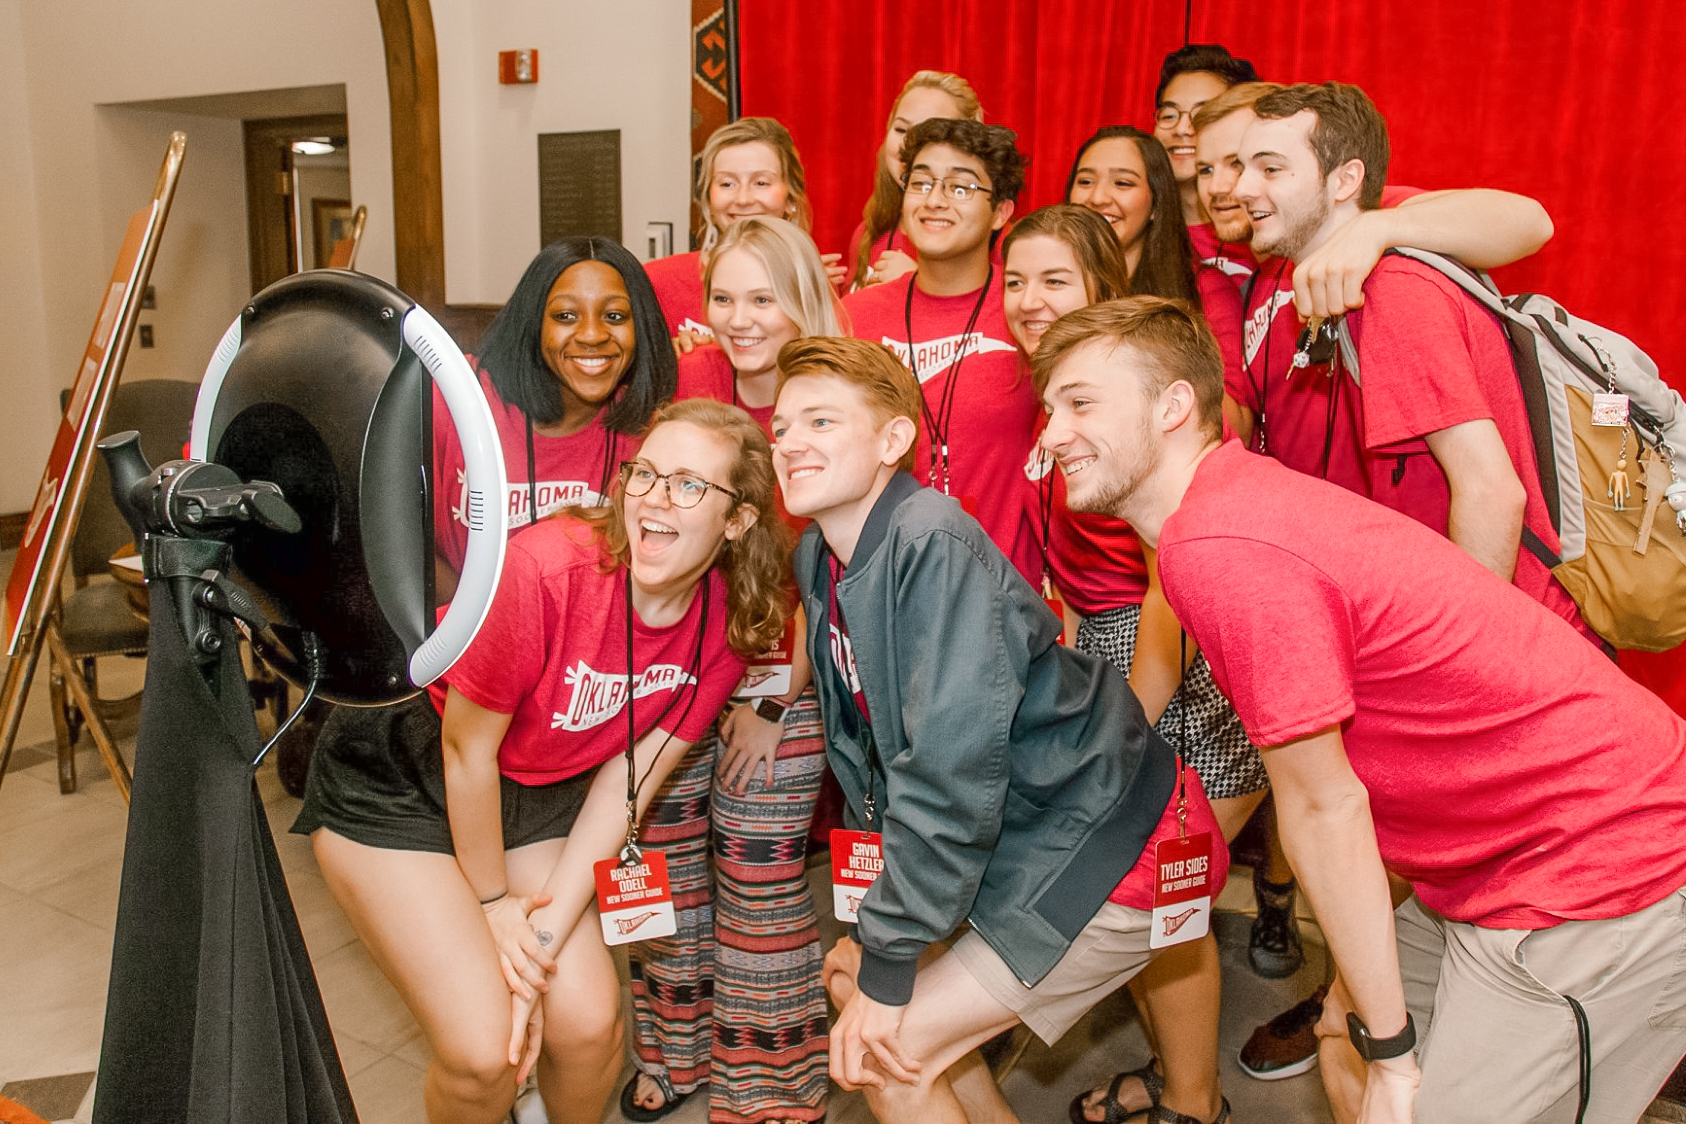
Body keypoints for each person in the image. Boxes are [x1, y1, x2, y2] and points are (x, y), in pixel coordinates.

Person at [1034, 294, 1686, 1124]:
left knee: (1405, 1083)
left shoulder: (1218, 547)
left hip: (1605, 864)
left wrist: (1394, 1052)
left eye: (1081, 403)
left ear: (1173, 406)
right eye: (1049, 407)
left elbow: (1322, 802)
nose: (1051, 434)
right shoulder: (1229, 504)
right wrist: (1363, 1021)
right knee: (1343, 1036)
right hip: (1488, 865)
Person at [772, 334, 1230, 1124]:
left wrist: (893, 954)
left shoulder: (929, 541)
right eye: (780, 428)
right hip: (1016, 839)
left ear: (893, 440)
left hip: (1109, 843)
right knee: (854, 974)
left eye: (819, 422)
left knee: (885, 1049)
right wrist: (879, 928)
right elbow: (868, 750)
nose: (790, 444)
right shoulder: (823, 553)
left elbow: (947, 776)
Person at [295, 399, 790, 1124]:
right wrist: (496, 910)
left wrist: (539, 947)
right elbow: (467, 750)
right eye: (645, 474)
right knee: (482, 1050)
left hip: (537, 790)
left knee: (589, 1027)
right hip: (406, 776)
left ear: (737, 520)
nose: (653, 498)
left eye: (689, 485)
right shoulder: (544, 570)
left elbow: (634, 777)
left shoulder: (727, 620)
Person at [1004, 205, 1258, 1124]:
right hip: (1110, 651)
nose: (1029, 299)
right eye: (1017, 279)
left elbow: (1171, 583)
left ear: (1103, 288)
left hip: (1179, 662)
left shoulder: (1136, 397)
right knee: (1143, 897)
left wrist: (1122, 725)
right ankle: (1176, 1077)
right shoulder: (1063, 392)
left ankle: (1194, 1105)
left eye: (1055, 281)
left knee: (1163, 899)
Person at [622, 217, 843, 1124]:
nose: (742, 318)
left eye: (764, 298)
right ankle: (670, 1055)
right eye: (725, 297)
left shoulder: (827, 397)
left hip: (773, 690)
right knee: (663, 878)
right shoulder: (687, 386)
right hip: (675, 679)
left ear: (801, 301)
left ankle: (769, 1084)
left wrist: (774, 701)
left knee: (757, 886)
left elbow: (827, 564)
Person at [1232, 82, 1587, 639]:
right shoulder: (1362, 258)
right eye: (1241, 166)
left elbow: (1492, 492)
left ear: (1345, 181)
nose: (1241, 187)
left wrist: (1469, 655)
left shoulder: (1393, 288)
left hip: (1516, 631)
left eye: (1270, 169)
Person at [843, 117, 1040, 583]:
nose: (934, 200)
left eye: (960, 187)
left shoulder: (1028, 311)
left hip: (1005, 591)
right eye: (922, 182)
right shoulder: (854, 316)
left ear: (1001, 212)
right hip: (885, 582)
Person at [433, 236, 675, 593]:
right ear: (535, 323)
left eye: (615, 316)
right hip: (461, 636)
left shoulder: (653, 432)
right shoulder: (457, 396)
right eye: (565, 316)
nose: (592, 335)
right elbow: (398, 536)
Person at [645, 117, 841, 340]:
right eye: (727, 183)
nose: (744, 199)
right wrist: (672, 357)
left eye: (761, 183)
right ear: (708, 199)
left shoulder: (819, 285)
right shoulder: (656, 282)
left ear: (791, 198)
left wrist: (805, 292)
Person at [849, 70, 985, 290]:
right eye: (901, 129)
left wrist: (917, 282)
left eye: (931, 132)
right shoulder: (869, 232)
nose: (909, 144)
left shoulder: (992, 238)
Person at [1151, 44, 1259, 278]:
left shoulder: (1265, 222)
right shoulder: (1142, 227)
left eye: (1203, 115)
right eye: (1169, 115)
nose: (1182, 129)